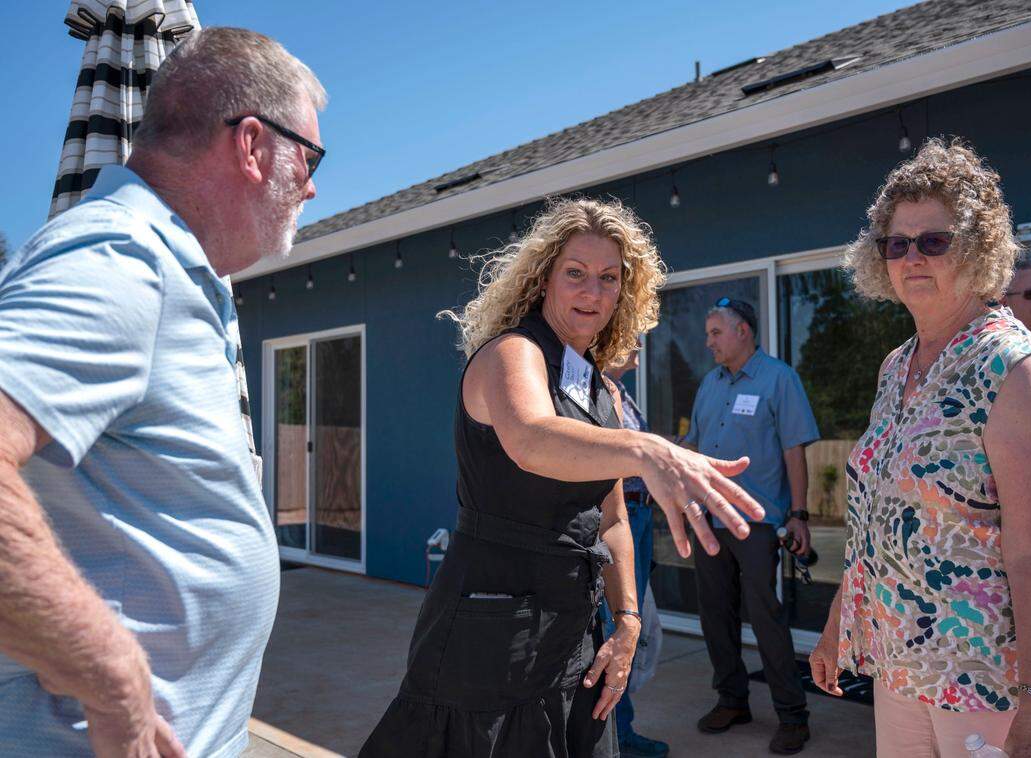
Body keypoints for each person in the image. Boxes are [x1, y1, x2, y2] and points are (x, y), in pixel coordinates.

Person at [0, 28, 325, 757]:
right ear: (251, 145)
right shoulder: (124, 258)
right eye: (308, 156)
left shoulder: (174, 272)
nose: (311, 185)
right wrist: (111, 674)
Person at [358, 198, 766, 758]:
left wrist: (626, 624)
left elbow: (615, 519)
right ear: (543, 278)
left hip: (572, 629)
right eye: (575, 273)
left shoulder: (599, 388)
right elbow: (531, 438)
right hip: (488, 625)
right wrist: (649, 449)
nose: (591, 292)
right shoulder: (513, 353)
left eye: (608, 278)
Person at [811, 138, 1031, 757]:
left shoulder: (1014, 369)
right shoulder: (896, 367)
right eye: (896, 244)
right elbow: (875, 521)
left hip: (985, 684)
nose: (911, 258)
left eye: (934, 241)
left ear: (978, 249)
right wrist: (834, 626)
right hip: (899, 671)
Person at [684, 298, 819, 755]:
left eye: (715, 332)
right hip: (709, 518)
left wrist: (799, 514)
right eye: (707, 334)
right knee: (714, 615)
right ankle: (732, 700)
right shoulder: (709, 384)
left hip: (757, 523)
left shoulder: (778, 378)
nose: (708, 342)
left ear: (742, 331)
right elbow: (695, 445)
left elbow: (794, 451)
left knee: (766, 618)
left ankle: (792, 715)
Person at [600, 342, 670, 758]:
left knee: (632, 624)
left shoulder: (619, 392)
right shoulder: (596, 392)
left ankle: (619, 731)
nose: (640, 343)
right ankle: (617, 736)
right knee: (618, 625)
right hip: (622, 517)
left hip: (640, 518)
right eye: (628, 334)